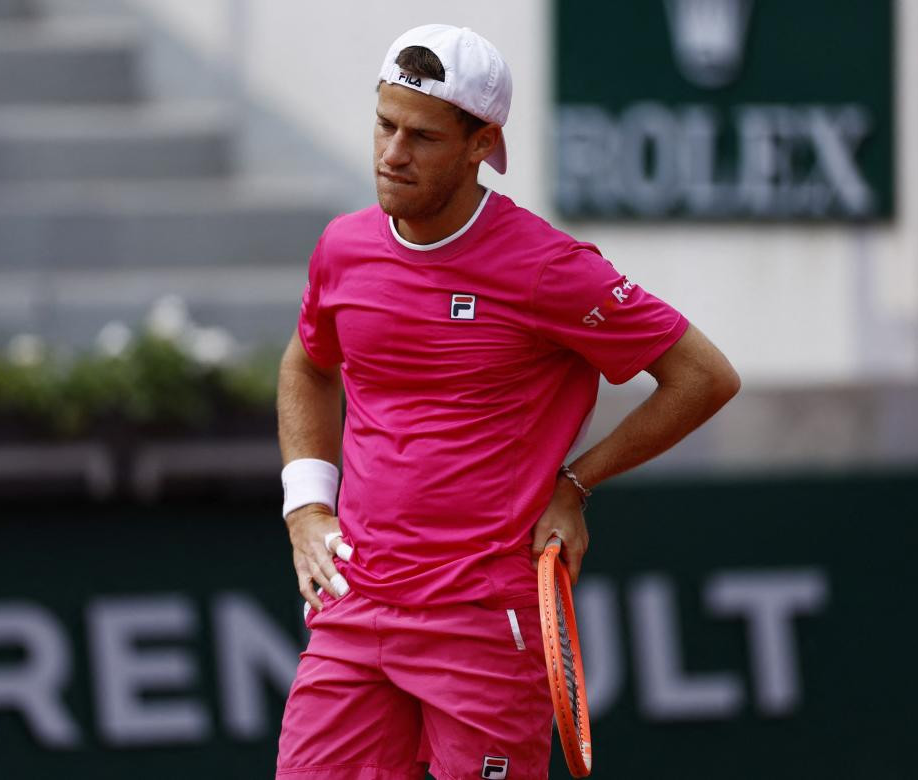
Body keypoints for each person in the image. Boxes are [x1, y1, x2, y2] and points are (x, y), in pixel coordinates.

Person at [276, 24, 739, 780]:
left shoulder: (550, 268)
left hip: (486, 625)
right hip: (354, 609)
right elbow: (308, 365)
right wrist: (307, 507)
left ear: (480, 144)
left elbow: (704, 377)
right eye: (385, 125)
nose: (392, 154)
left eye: (422, 137)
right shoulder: (342, 247)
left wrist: (575, 484)